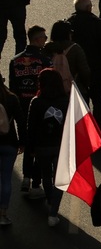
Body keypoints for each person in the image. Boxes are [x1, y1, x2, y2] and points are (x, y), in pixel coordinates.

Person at [9, 25, 50, 197]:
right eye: (44, 37)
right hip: (39, 107)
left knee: (26, 141)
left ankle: (25, 177)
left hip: (22, 106)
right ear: (37, 39)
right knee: (39, 144)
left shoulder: (15, 60)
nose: (45, 40)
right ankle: (36, 181)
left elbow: (12, 87)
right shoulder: (44, 61)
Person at [26, 68, 69, 227]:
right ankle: (53, 212)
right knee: (60, 179)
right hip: (60, 146)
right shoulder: (66, 102)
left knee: (46, 174)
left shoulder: (36, 102)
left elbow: (31, 127)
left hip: (41, 146)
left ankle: (50, 199)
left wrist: (30, 147)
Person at [67, 0, 101, 129]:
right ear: (88, 7)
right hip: (96, 69)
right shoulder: (97, 23)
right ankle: (97, 127)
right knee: (99, 99)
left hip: (77, 71)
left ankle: (84, 128)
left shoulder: (69, 23)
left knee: (82, 99)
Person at [43, 20, 91, 99]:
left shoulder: (46, 48)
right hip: (73, 89)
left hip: (51, 90)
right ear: (68, 34)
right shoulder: (75, 48)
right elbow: (84, 71)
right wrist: (85, 86)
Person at [0, 75, 23, 226]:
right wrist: (23, 143)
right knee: (6, 179)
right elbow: (21, 122)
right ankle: (3, 214)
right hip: (9, 143)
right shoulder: (12, 99)